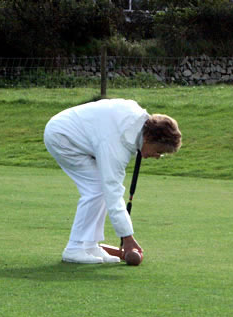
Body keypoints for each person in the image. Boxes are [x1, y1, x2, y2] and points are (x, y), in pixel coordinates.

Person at [44, 98, 182, 264]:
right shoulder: (117, 144)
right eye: (159, 151)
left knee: (99, 188)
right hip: (62, 136)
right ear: (148, 139)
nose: (158, 156)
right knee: (97, 189)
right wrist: (127, 237)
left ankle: (89, 246)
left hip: (78, 133)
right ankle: (74, 248)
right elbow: (113, 192)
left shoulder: (138, 126)